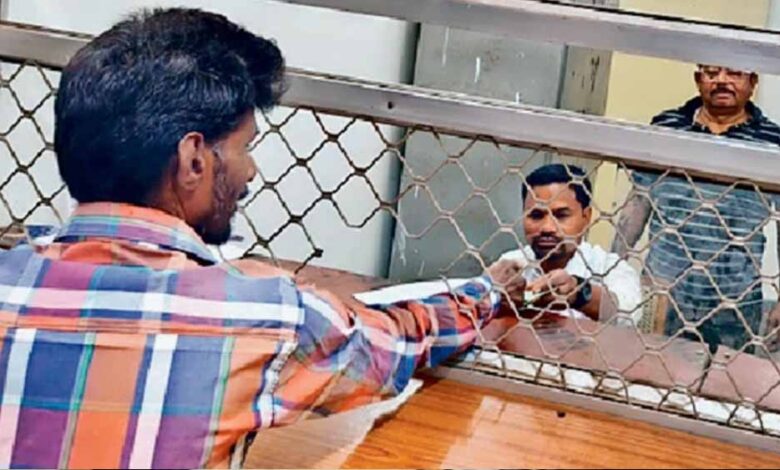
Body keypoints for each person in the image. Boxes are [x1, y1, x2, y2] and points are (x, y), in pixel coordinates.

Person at [0, 9, 525, 469]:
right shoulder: (258, 316)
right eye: (245, 146)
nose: (250, 170)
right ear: (193, 160)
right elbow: (399, 342)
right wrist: (486, 293)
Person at [613, 64, 780, 352]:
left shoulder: (772, 141)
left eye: (734, 73)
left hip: (735, 299)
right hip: (662, 289)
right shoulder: (668, 127)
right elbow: (639, 201)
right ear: (698, 79)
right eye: (712, 72)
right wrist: (612, 270)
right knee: (648, 367)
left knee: (725, 376)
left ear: (753, 82)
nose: (722, 81)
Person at [500, 164, 642, 324]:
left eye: (561, 215)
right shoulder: (510, 265)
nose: (547, 227)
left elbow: (628, 314)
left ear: (586, 217)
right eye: (536, 215)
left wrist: (578, 293)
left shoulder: (609, 267)